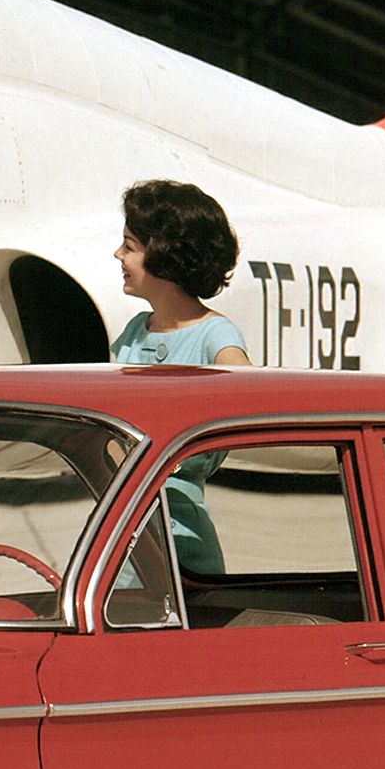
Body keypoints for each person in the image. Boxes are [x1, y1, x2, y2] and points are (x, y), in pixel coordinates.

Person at [108, 179, 252, 576]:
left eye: (130, 246)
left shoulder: (214, 335)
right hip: (122, 531)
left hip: (181, 541)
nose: (118, 254)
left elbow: (252, 394)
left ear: (166, 257)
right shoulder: (134, 333)